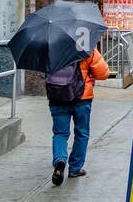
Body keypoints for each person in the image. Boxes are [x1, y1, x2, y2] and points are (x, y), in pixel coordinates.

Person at [46, 45, 109, 185]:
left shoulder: (50, 47)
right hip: (82, 98)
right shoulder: (86, 46)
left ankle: (60, 160)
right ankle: (75, 168)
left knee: (60, 133)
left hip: (57, 96)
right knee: (82, 133)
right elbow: (103, 73)